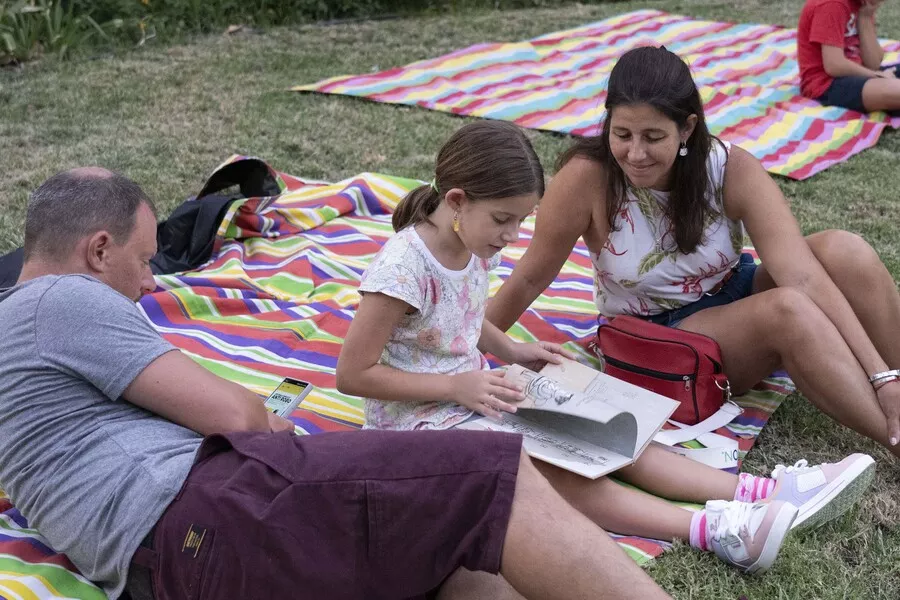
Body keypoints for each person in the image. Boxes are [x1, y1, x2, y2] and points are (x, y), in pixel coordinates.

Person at [0, 167, 677, 600]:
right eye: (146, 260)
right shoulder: (61, 300)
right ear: (98, 250)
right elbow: (238, 418)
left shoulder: (18, 335)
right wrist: (273, 426)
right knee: (493, 471)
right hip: (209, 512)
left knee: (458, 558)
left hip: (175, 565)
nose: (152, 283)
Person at [335, 120, 875, 580]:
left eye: (521, 220)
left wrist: (514, 351)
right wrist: (457, 385)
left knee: (609, 428)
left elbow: (465, 321)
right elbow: (352, 374)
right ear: (457, 201)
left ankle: (762, 491)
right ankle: (714, 529)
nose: (513, 235)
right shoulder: (403, 269)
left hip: (475, 394)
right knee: (545, 471)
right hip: (417, 424)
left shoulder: (473, 242)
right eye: (504, 220)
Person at [485, 45, 900, 459]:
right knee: (788, 309)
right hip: (661, 334)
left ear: (686, 128)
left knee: (844, 251)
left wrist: (882, 376)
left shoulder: (728, 167)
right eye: (622, 134)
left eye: (653, 137)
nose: (635, 153)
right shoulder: (586, 178)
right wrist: (465, 345)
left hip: (733, 292)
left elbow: (803, 274)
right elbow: (529, 277)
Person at [798, 0, 900, 112]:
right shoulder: (832, 4)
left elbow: (873, 64)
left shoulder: (864, 5)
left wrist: (865, 18)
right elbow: (834, 65)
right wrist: (877, 76)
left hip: (859, 72)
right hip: (827, 83)